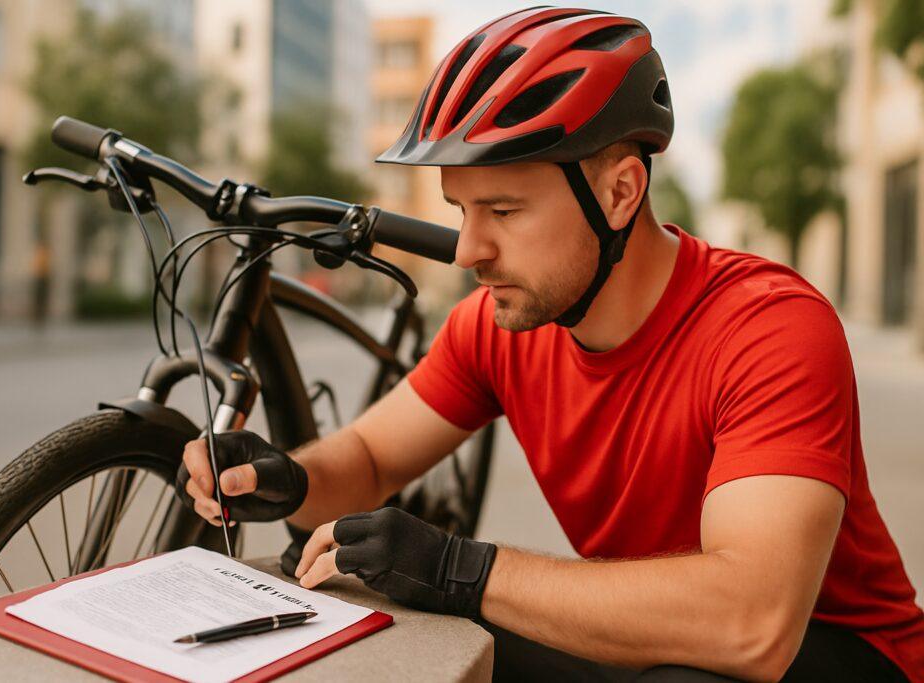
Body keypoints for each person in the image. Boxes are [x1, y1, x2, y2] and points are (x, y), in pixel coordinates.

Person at [176, 8, 923, 681]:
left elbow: (752, 623)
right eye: (461, 210)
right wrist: (290, 479)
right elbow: (371, 459)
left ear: (620, 194)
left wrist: (459, 567)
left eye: (502, 209)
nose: (468, 250)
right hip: (648, 642)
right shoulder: (500, 324)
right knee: (389, 624)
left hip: (838, 654)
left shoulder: (769, 328)